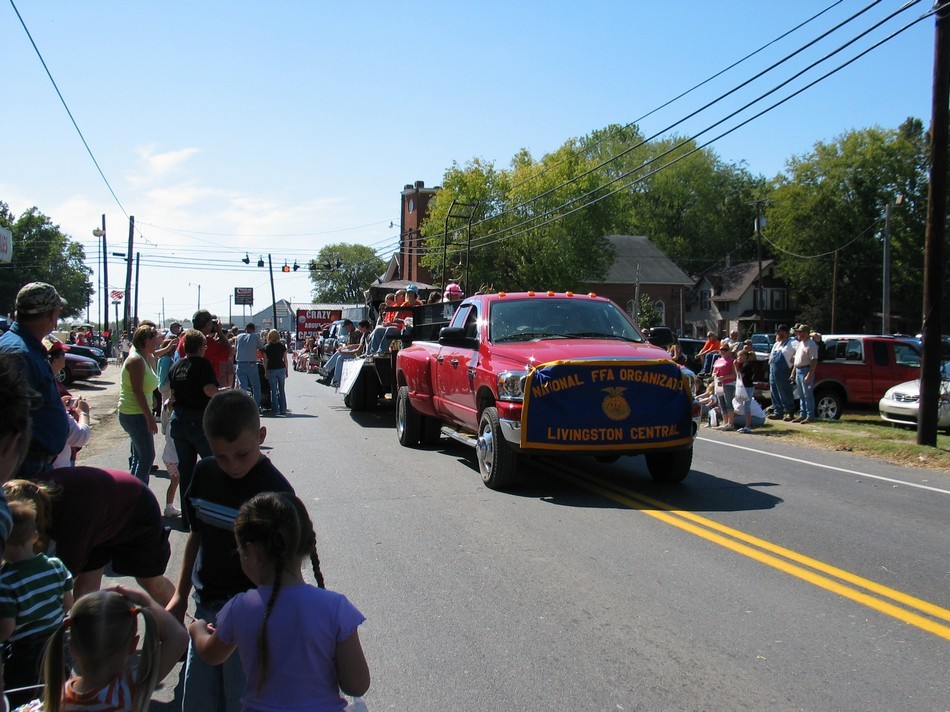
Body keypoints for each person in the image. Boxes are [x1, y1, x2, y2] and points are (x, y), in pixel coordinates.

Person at [167, 389, 295, 712]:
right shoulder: (204, 474)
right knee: (198, 701)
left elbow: (287, 566)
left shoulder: (277, 491)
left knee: (244, 700)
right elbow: (196, 538)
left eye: (242, 454)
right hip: (207, 607)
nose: (232, 465)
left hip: (253, 617)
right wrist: (180, 595)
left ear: (261, 436)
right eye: (221, 455)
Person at [189, 492, 370, 710]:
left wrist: (197, 629)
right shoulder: (336, 608)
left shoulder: (240, 607)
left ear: (252, 553)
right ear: (306, 546)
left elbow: (211, 654)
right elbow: (357, 686)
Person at [4, 470, 176, 605]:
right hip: (98, 513)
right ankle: (89, 642)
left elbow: (63, 576)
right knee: (84, 594)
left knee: (151, 581)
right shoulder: (21, 497)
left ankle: (179, 622)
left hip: (135, 507)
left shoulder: (68, 516)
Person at [37, 586, 188, 712]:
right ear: (133, 646)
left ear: (71, 647)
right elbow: (179, 637)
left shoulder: (58, 698)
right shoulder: (129, 689)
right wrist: (145, 600)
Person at [0, 500, 74, 709]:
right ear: (34, 536)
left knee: (23, 701)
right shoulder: (56, 565)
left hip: (25, 653)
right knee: (58, 694)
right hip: (58, 644)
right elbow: (68, 603)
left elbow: (6, 629)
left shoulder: (5, 580)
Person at [0, 282, 71, 478]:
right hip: (25, 467)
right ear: (50, 315)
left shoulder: (24, 347)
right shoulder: (19, 353)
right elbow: (11, 420)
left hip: (31, 463)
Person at [168, 329, 220, 522]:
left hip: (179, 420)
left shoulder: (176, 366)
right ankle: (213, 513)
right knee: (214, 464)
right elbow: (209, 390)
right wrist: (222, 393)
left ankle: (188, 518)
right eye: (205, 346)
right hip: (198, 420)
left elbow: (173, 395)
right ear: (200, 347)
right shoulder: (203, 364)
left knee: (186, 471)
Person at [118, 324, 163, 485]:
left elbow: (145, 387)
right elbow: (137, 391)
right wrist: (149, 417)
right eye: (154, 339)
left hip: (138, 413)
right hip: (134, 414)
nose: (157, 342)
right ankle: (139, 495)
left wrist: (152, 399)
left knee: (140, 456)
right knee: (147, 456)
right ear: (145, 340)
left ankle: (133, 491)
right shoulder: (136, 359)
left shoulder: (144, 356)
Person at [156, 334, 181, 517]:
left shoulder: (170, 418)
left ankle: (169, 506)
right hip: (175, 458)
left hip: (169, 457)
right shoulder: (165, 359)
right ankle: (169, 507)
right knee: (177, 481)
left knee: (174, 482)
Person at [178, 310, 233, 387]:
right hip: (205, 385)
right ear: (208, 324)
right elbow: (230, 353)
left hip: (187, 381)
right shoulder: (205, 342)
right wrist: (220, 333)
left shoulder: (184, 338)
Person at [318, 320, 371, 388]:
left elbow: (359, 348)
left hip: (357, 354)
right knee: (338, 355)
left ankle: (331, 376)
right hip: (354, 351)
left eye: (346, 327)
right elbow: (355, 345)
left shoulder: (359, 333)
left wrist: (345, 350)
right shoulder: (356, 334)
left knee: (340, 358)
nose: (346, 329)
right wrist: (345, 347)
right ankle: (328, 373)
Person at [767, 324, 798, 421]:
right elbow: (771, 357)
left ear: (784, 332)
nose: (777, 334)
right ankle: (778, 412)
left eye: (778, 332)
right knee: (774, 392)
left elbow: (799, 354)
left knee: (785, 391)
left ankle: (790, 412)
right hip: (773, 371)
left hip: (784, 371)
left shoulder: (793, 342)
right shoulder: (777, 344)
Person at [233, 323, 264, 410]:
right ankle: (255, 406)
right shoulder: (255, 336)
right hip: (251, 364)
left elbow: (236, 349)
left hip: (240, 364)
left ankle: (242, 407)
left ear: (246, 328)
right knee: (256, 386)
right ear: (253, 329)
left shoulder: (238, 337)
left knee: (243, 387)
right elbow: (261, 348)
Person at [791, 324, 819, 423]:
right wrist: (793, 372)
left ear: (806, 333)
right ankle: (802, 414)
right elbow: (796, 360)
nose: (798, 334)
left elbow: (814, 361)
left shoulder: (811, 344)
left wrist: (809, 374)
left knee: (808, 394)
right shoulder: (800, 343)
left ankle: (810, 415)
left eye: (800, 332)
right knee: (801, 395)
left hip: (806, 370)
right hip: (798, 370)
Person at [262, 329, 289, 416]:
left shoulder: (266, 347)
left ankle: (275, 409)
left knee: (273, 390)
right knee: (281, 389)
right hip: (281, 368)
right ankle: (283, 409)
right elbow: (285, 360)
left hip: (271, 369)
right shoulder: (282, 346)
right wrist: (286, 370)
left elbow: (265, 361)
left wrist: (265, 371)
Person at [711, 344, 737, 431]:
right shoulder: (717, 361)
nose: (723, 351)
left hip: (728, 383)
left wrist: (725, 377)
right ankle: (724, 422)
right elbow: (713, 372)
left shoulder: (732, 361)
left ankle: (730, 423)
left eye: (725, 349)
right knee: (721, 404)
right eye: (721, 349)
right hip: (719, 383)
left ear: (729, 351)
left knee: (728, 403)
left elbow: (735, 374)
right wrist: (715, 375)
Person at [733, 348, 756, 433]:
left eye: (739, 356)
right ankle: (746, 425)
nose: (738, 357)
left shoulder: (747, 365)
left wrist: (735, 366)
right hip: (744, 386)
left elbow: (739, 375)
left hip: (748, 387)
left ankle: (748, 425)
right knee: (744, 406)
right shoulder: (743, 365)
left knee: (747, 406)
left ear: (744, 356)